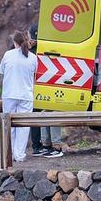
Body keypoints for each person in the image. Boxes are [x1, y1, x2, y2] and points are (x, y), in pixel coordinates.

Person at [0, 31, 37, 163]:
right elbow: (34, 74)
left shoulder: (8, 55)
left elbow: (2, 71)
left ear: (15, 42)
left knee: (9, 125)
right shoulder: (33, 57)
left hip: (9, 94)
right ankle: (19, 154)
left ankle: (9, 153)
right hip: (26, 95)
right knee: (23, 126)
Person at [28, 25, 63, 158]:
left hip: (46, 85)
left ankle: (53, 146)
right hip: (43, 85)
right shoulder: (45, 48)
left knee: (47, 114)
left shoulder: (34, 51)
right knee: (43, 114)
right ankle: (46, 145)